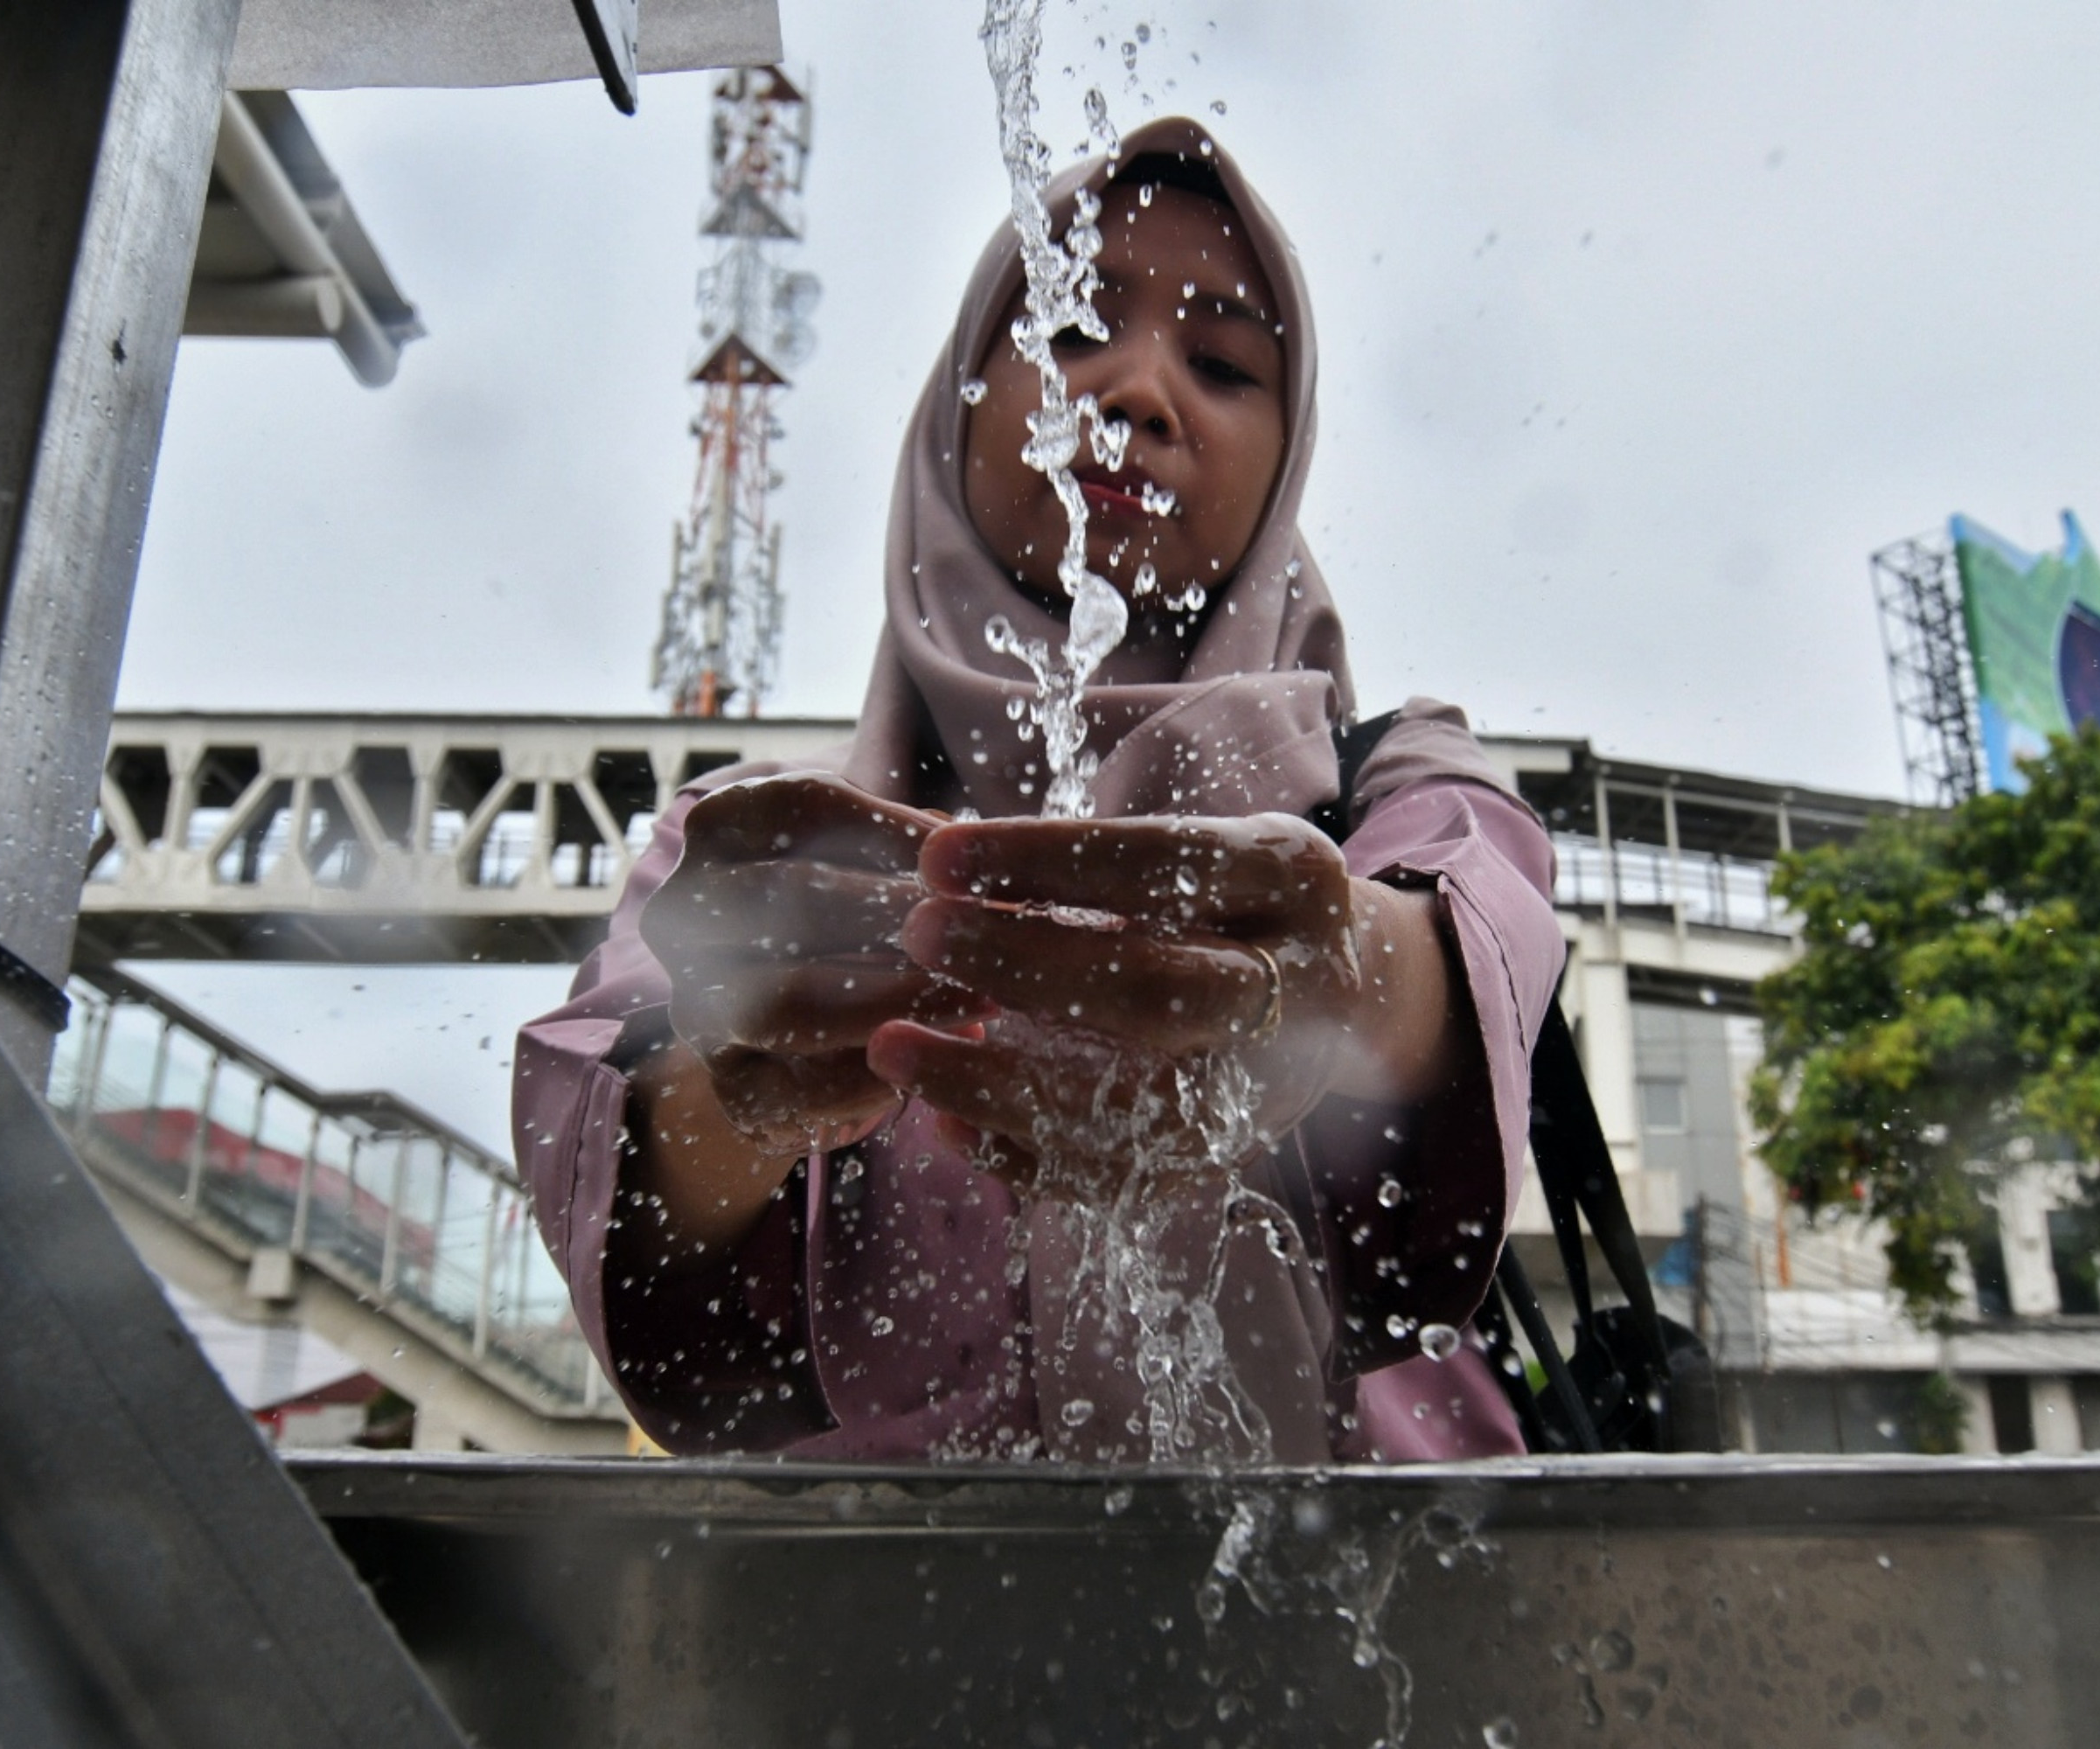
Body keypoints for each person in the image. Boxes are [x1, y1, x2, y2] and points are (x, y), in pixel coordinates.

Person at [514, 119, 1564, 1463]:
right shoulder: (745, 857)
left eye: (1228, 362)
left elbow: (1481, 933)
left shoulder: (1390, 793)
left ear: (1288, 466)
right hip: (873, 1634)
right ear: (955, 405)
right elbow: (619, 1190)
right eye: (1070, 333)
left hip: (1378, 1615)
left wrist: (1344, 977)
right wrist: (742, 1078)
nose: (1136, 395)